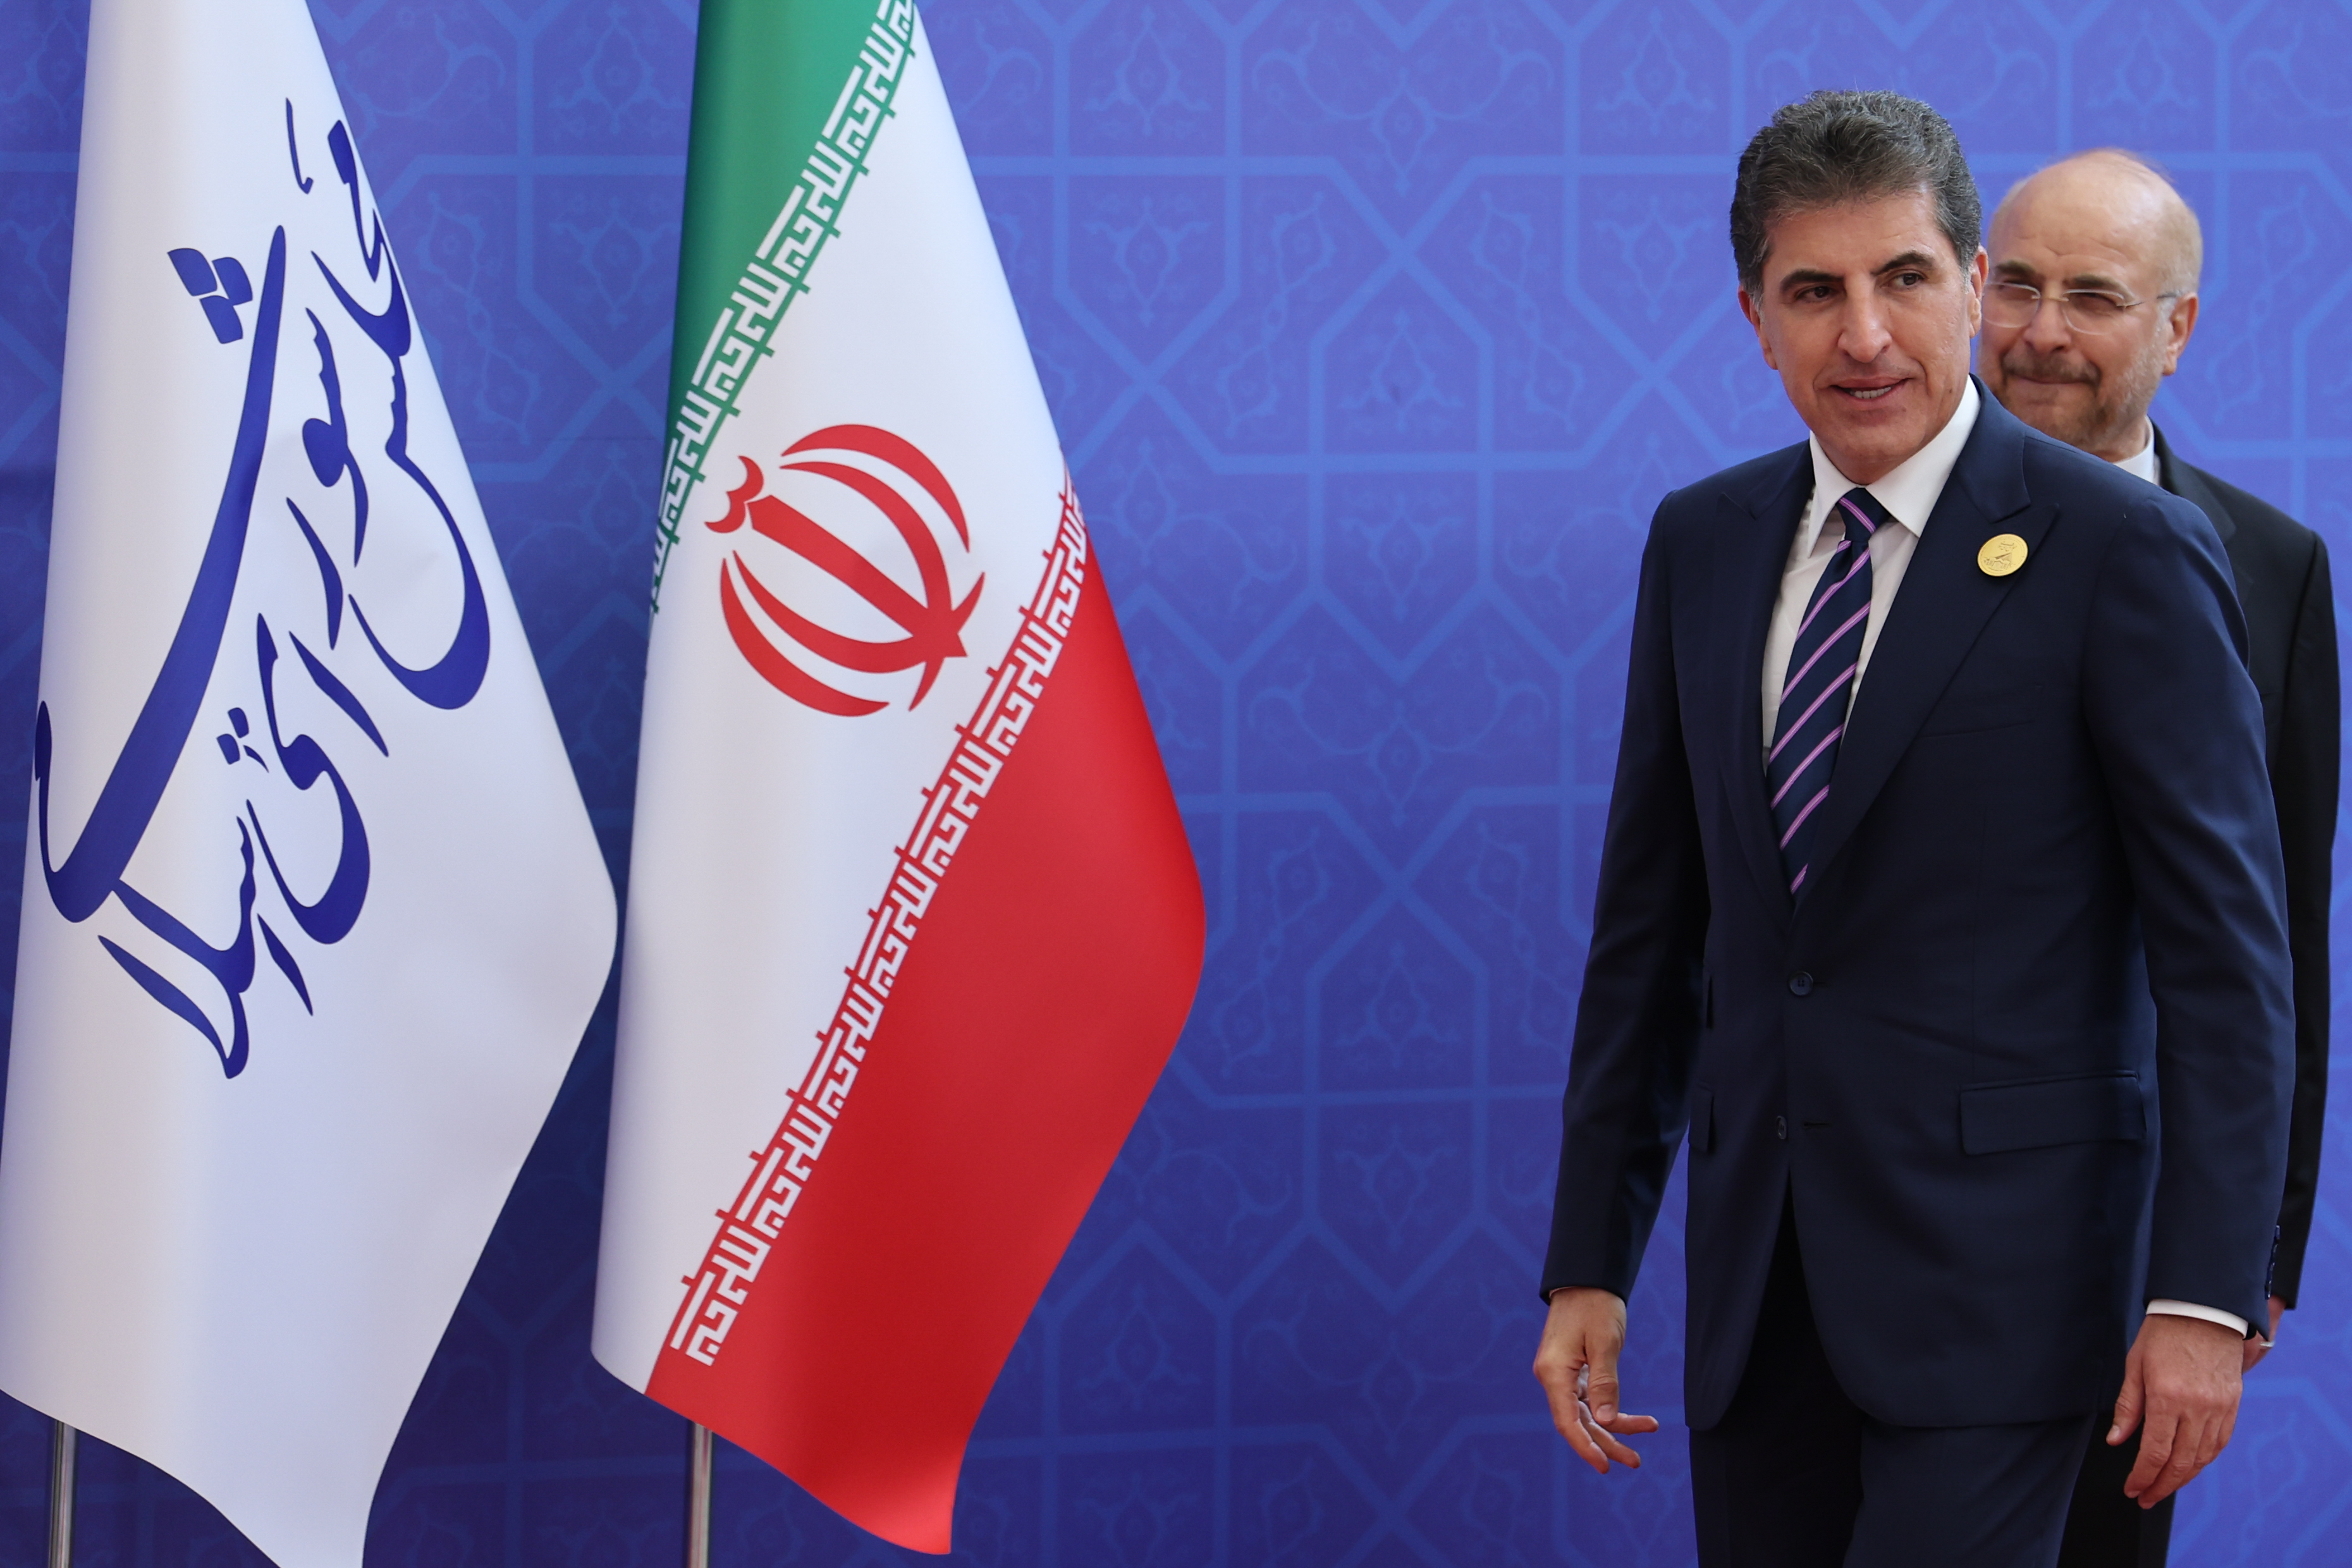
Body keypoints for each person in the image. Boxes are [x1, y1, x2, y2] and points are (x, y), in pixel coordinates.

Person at [1531, 91, 2294, 1567]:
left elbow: (2227, 966)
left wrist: (2203, 1296)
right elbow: (1653, 932)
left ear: (1969, 282)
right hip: (1760, 1300)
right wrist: (1590, 1261)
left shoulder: (2125, 549)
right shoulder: (1703, 542)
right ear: (1756, 318)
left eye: (1905, 278)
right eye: (1814, 290)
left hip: (2007, 1299)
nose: (1865, 334)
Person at [1980, 149, 2338, 1568]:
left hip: (2134, 1241)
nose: (2042, 332)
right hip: (1896, 1223)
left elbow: (2278, 937)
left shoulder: (2270, 564)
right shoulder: (1873, 529)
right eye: (2016, 285)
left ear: (2177, 329)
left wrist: (2241, 1266)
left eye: (2094, 297)